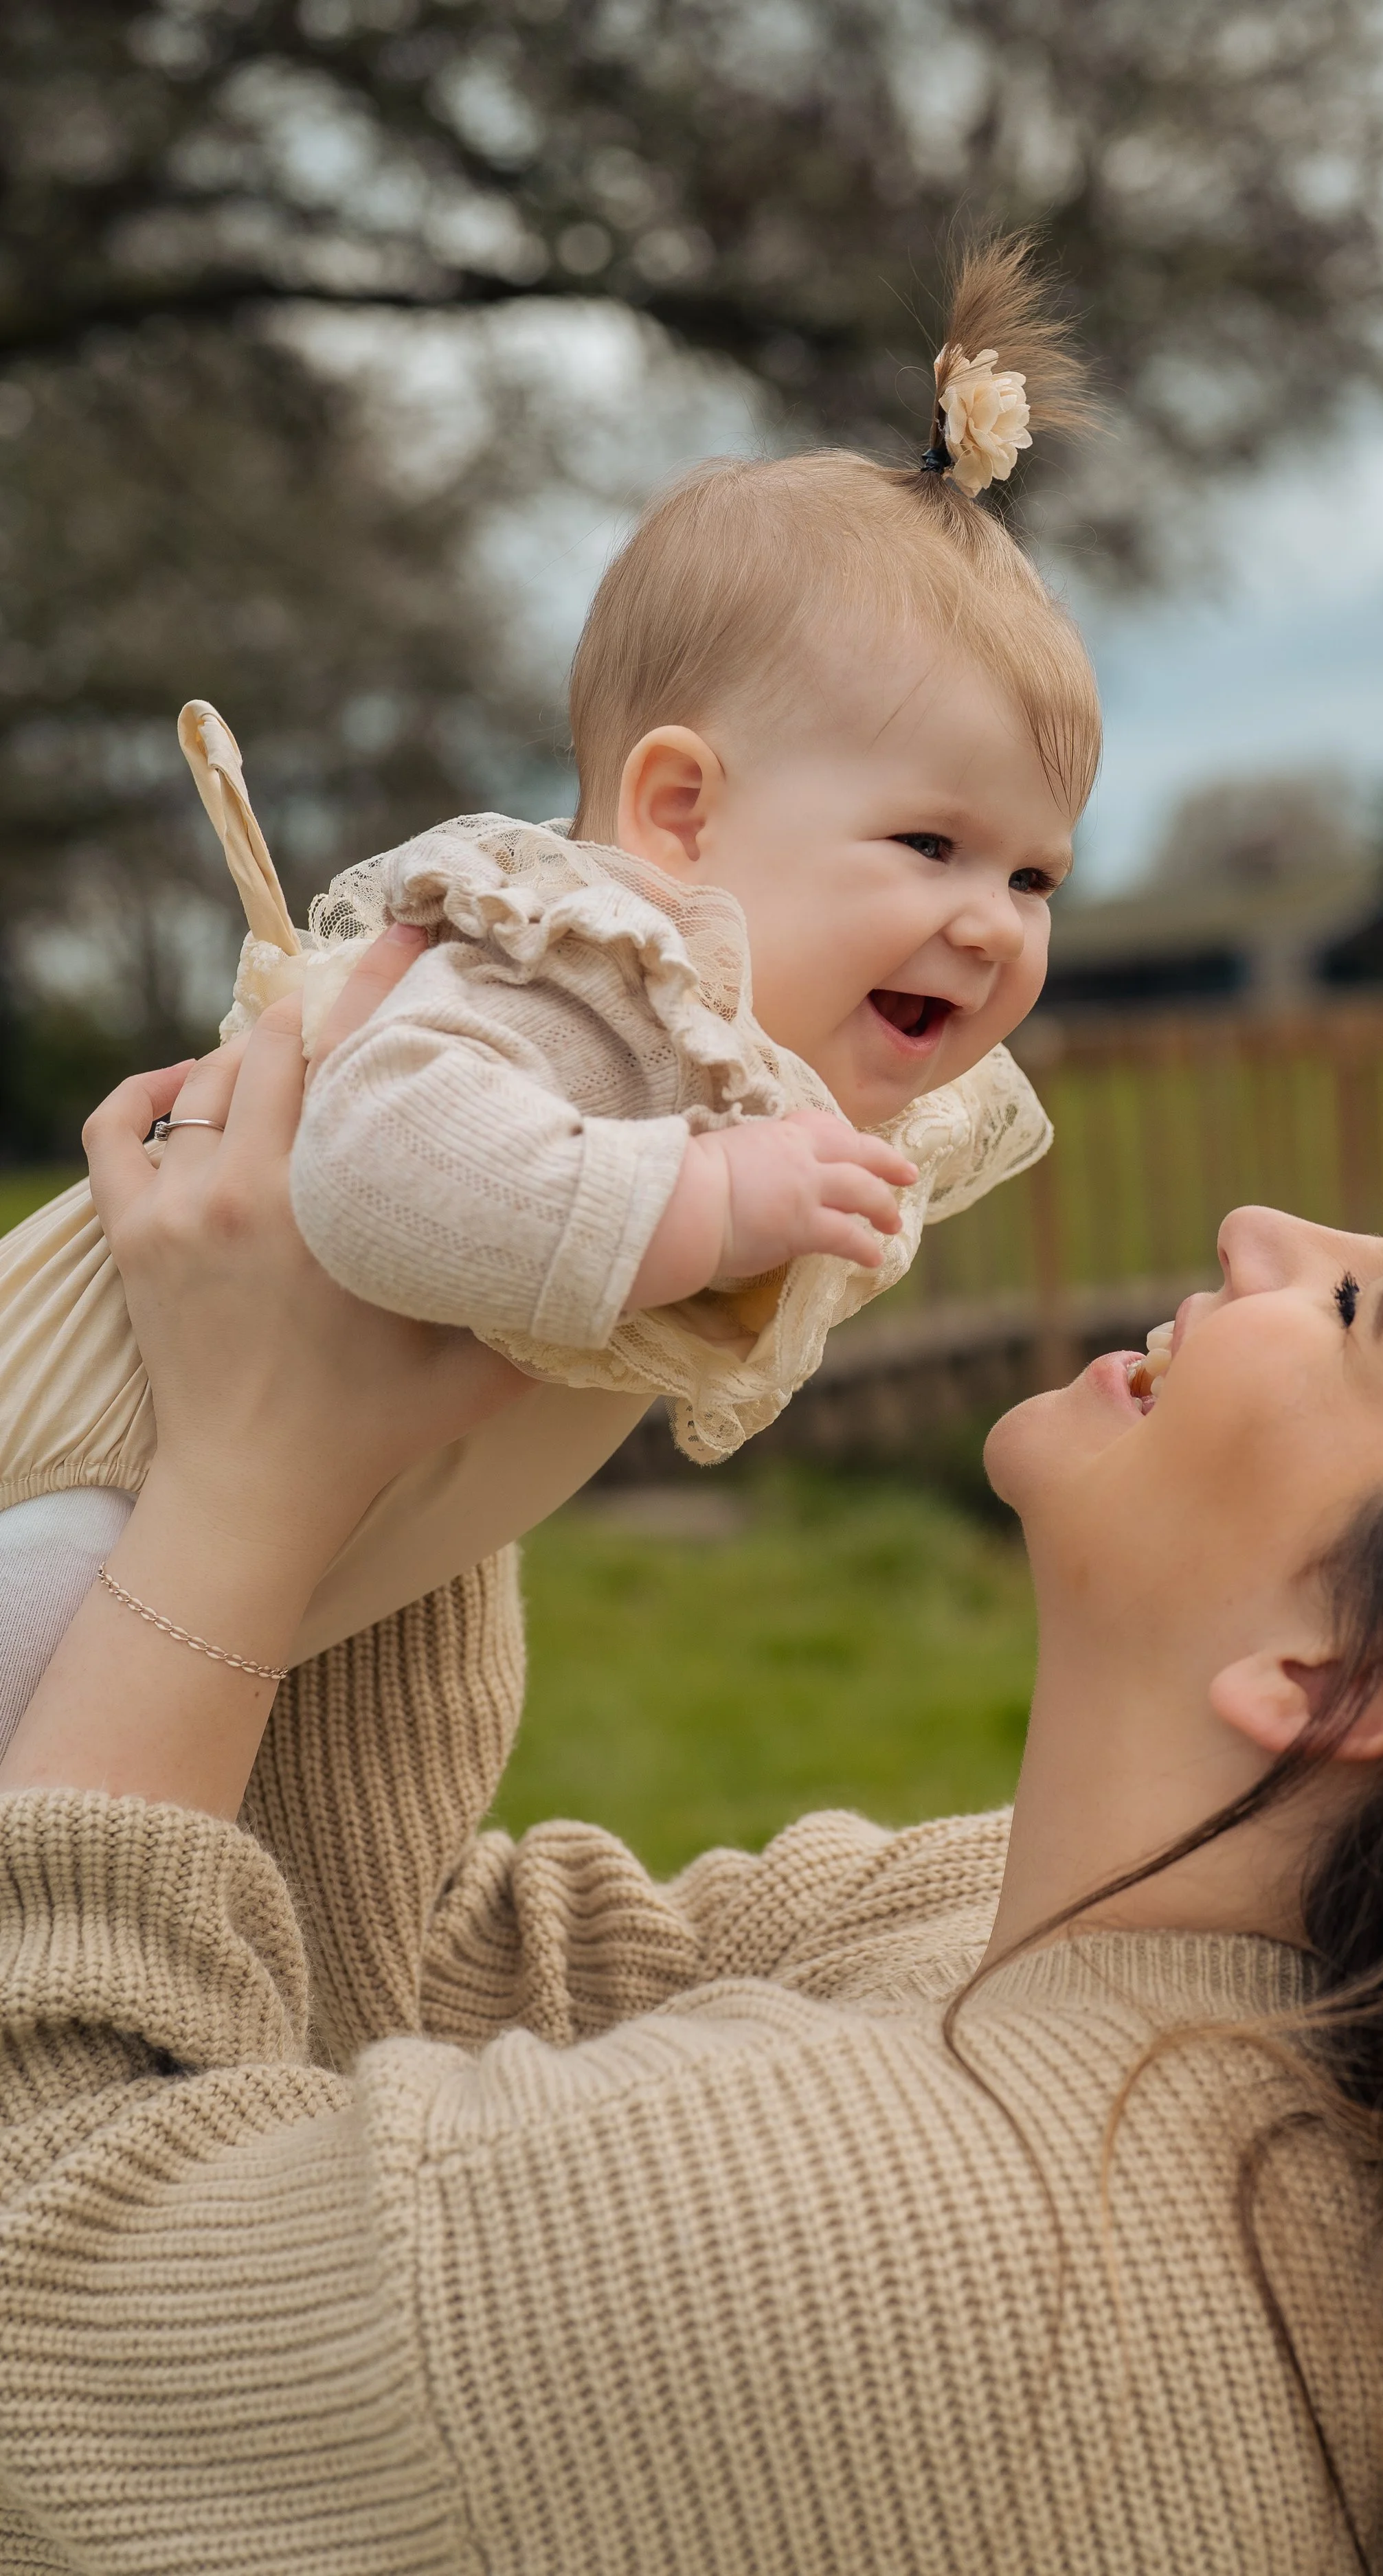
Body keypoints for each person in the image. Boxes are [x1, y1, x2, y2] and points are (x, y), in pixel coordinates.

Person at [2, 984, 1383, 2576]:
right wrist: (483, 1322)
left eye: (1351, 1306)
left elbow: (51, 2267)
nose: (1255, 1231)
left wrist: (251, 1477)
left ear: (1338, 1676)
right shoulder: (1054, 1940)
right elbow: (402, 1976)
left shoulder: (924, 2260)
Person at [0, 233, 1093, 1723]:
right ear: (679, 815)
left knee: (411, 1720)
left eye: (1032, 877)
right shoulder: (575, 968)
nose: (991, 925)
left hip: (325, 1532)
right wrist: (705, 1205)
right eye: (930, 844)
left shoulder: (725, 1059)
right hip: (74, 1477)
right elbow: (378, 1164)